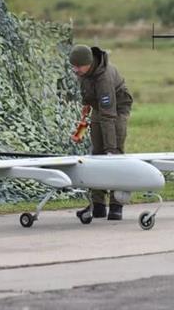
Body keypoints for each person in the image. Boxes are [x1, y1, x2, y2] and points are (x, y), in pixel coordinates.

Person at [69, 44, 133, 220]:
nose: (75, 70)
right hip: (100, 109)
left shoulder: (104, 78)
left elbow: (108, 116)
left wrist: (111, 148)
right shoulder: (84, 73)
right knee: (96, 155)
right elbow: (88, 99)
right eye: (73, 66)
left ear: (88, 63)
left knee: (114, 155)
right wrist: (82, 127)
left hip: (117, 110)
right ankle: (97, 204)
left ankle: (116, 205)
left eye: (78, 66)